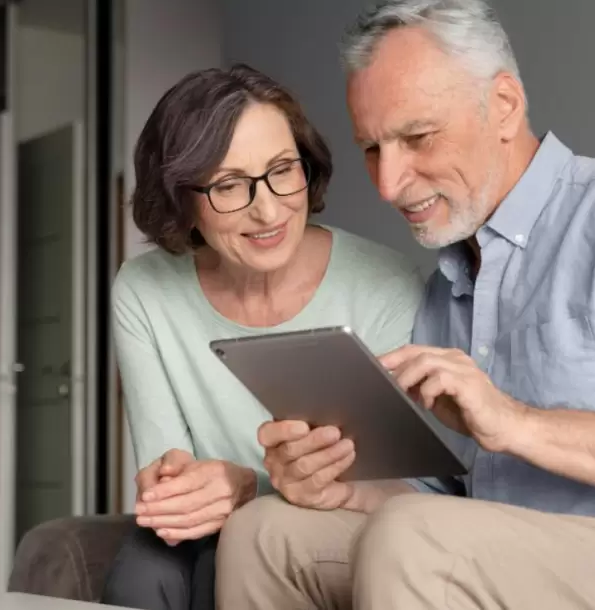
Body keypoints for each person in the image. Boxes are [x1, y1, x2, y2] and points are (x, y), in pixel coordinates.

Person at [214, 1, 595, 609]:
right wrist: (339, 489)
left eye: (417, 136)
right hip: (517, 559)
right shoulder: (446, 291)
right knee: (264, 534)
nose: (387, 183)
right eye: (373, 149)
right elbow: (448, 500)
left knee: (417, 540)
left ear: (503, 105)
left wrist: (516, 421)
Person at [98, 63, 426, 610]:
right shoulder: (145, 288)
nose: (269, 209)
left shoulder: (386, 286)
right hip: (203, 535)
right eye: (229, 185)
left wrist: (249, 487)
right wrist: (173, 483)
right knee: (145, 562)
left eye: (282, 170)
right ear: (182, 199)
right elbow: (165, 467)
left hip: (332, 525)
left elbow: (399, 487)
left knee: (231, 556)